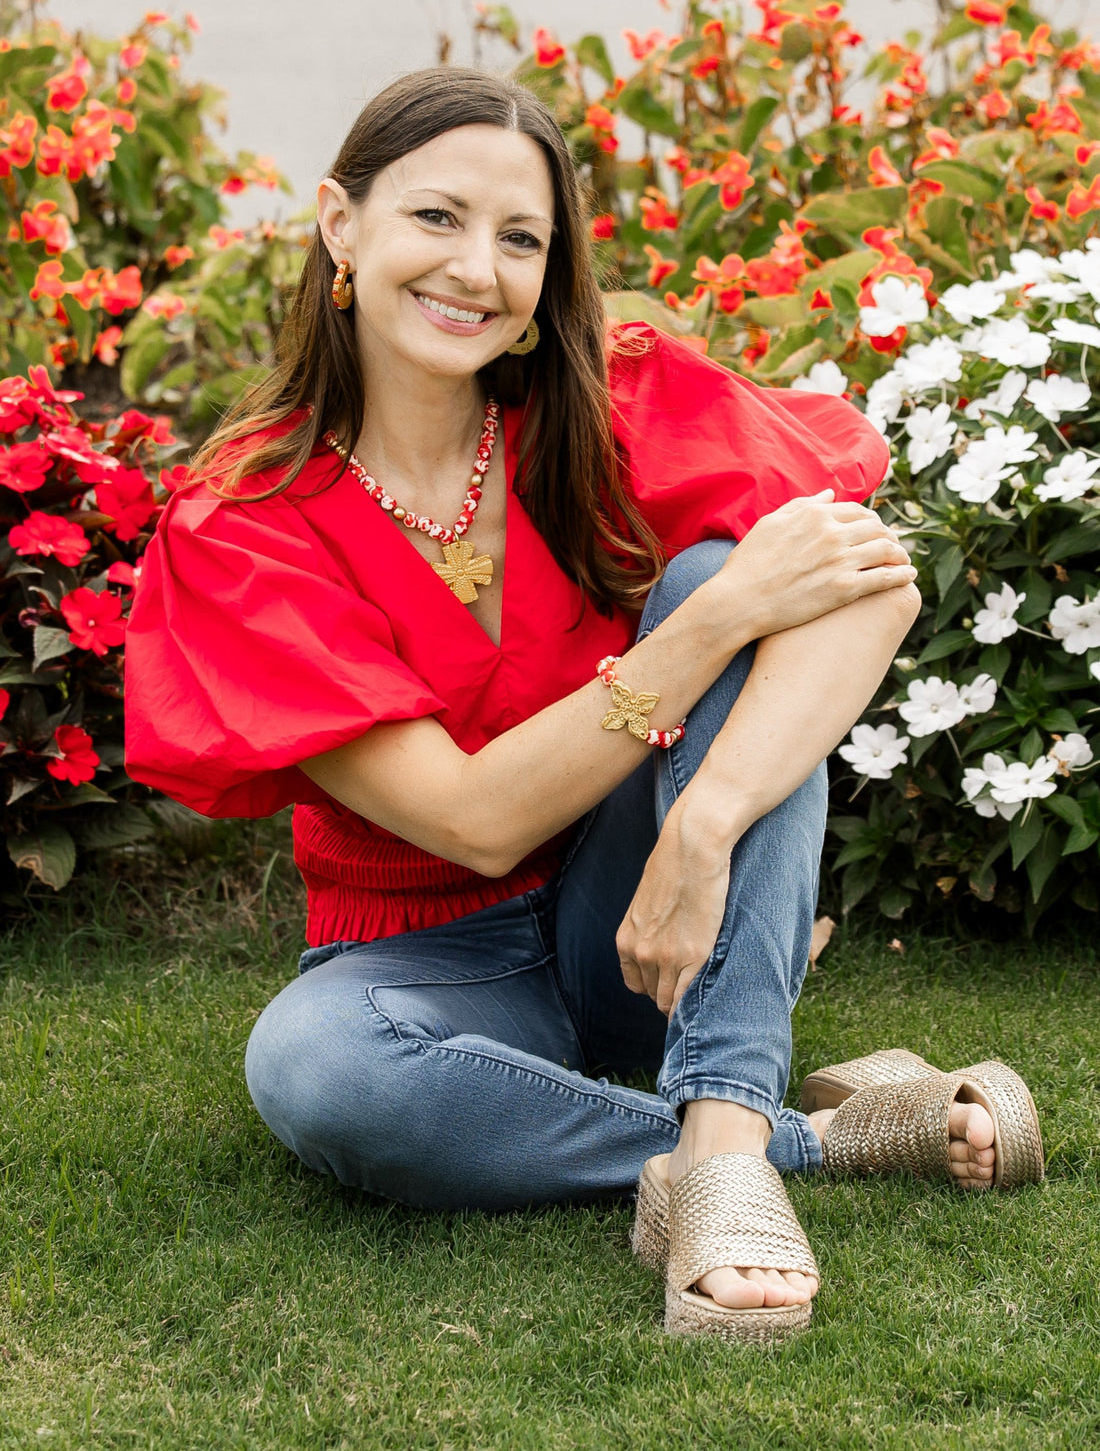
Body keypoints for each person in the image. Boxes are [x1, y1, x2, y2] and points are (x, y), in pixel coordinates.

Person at [125, 68, 1043, 1346]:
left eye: (519, 239)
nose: (474, 271)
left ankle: (719, 1146)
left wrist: (702, 828)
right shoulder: (248, 523)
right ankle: (816, 1136)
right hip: (427, 963)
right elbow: (471, 822)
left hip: (644, 922)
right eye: (435, 218)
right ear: (340, 225)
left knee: (728, 569)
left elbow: (869, 584)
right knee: (318, 1072)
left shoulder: (604, 405)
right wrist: (710, 626)